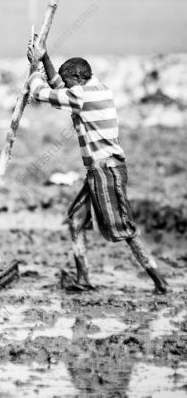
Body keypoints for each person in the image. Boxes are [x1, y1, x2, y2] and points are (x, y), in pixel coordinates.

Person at [26, 38, 169, 294]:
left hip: (107, 171)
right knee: (76, 221)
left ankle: (159, 280)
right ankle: (83, 278)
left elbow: (42, 94)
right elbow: (60, 86)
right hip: (98, 171)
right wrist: (45, 57)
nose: (67, 87)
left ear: (78, 80)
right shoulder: (96, 88)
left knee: (124, 229)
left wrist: (34, 72)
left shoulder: (82, 96)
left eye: (69, 83)